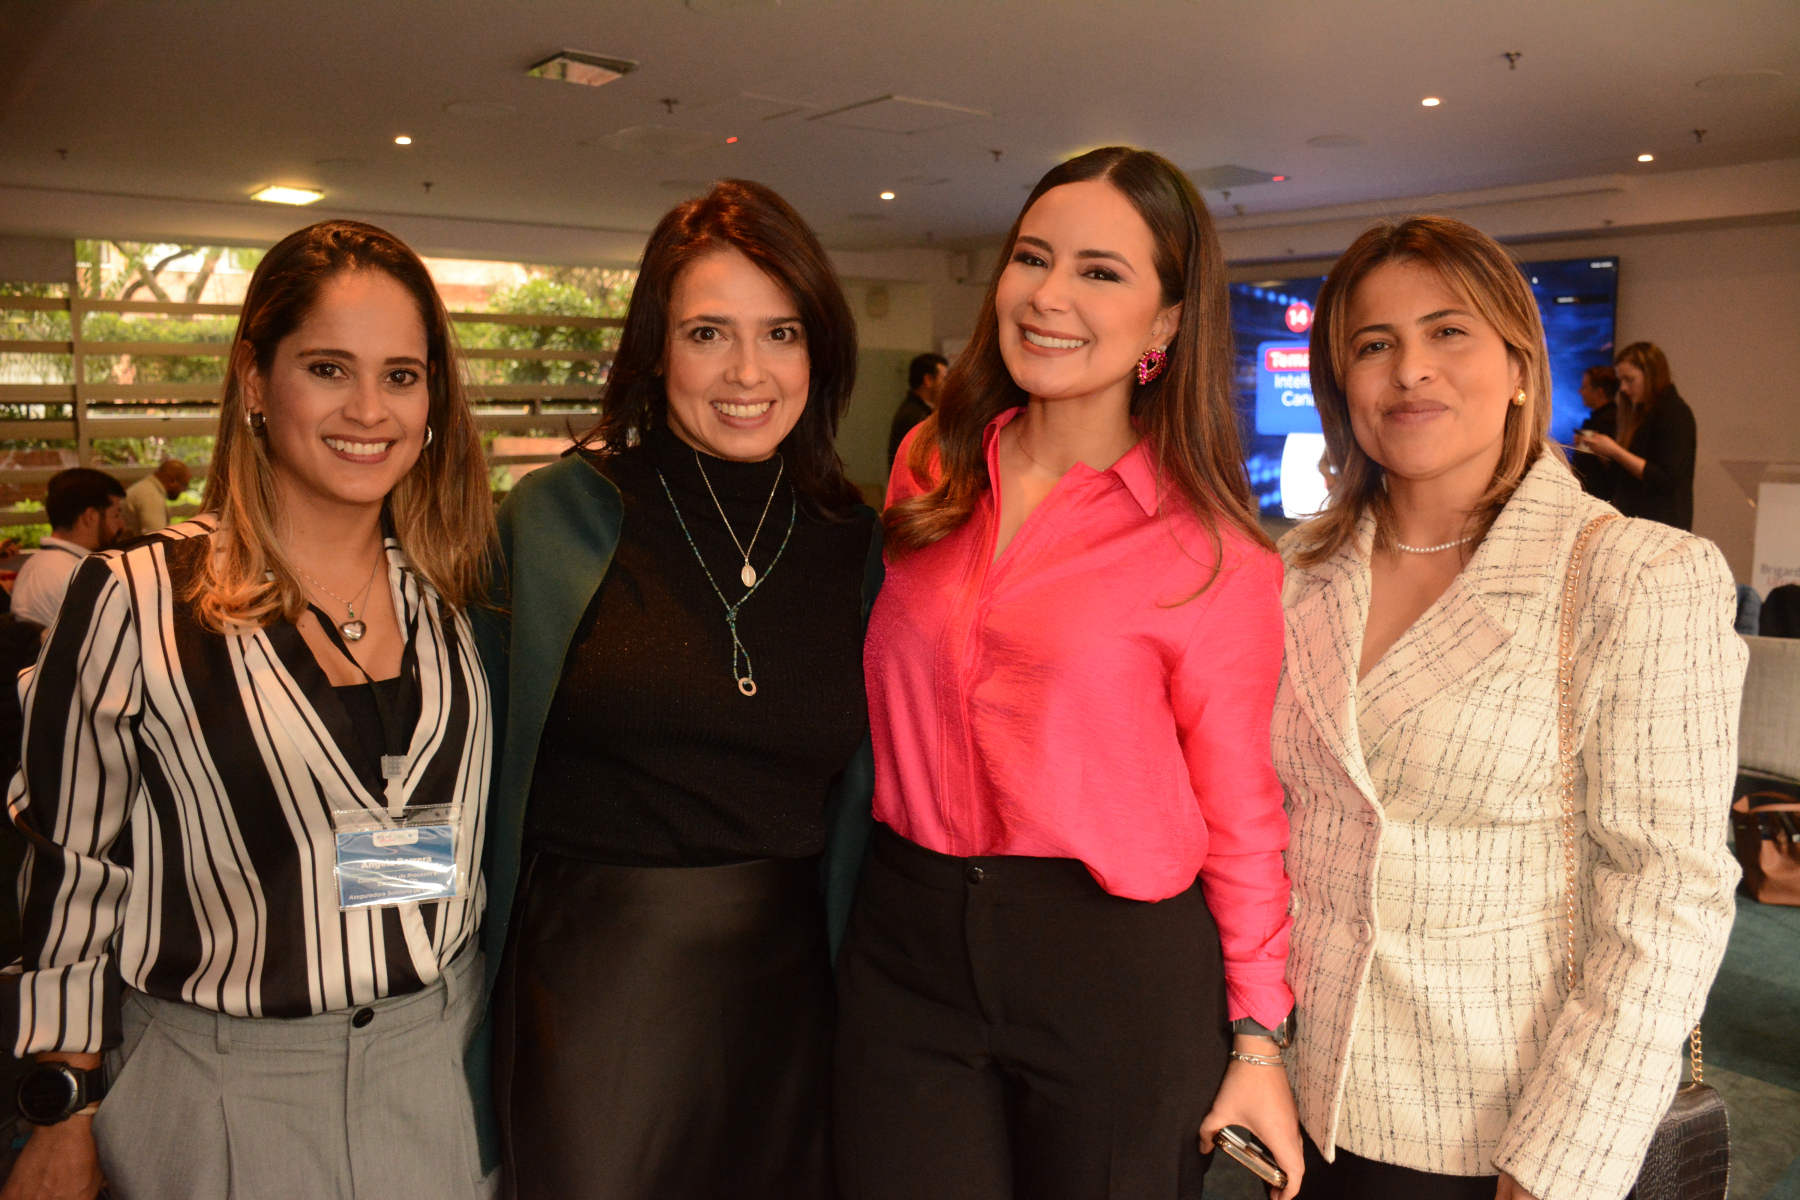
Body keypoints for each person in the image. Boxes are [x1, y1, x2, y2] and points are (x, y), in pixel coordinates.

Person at [839, 146, 1303, 1200]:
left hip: (1112, 965)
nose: (1049, 295)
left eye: (1100, 271)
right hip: (906, 939)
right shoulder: (929, 468)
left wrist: (1258, 1038)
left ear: (1167, 320)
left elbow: (1242, 812)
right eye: (1032, 257)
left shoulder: (1213, 552)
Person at [2, 219, 498, 1200]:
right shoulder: (138, 599)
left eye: (401, 375)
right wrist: (62, 1104)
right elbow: (73, 867)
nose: (370, 409)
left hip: (436, 1074)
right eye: (328, 368)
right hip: (223, 1090)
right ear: (256, 381)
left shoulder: (449, 597)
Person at [1275, 216, 1742, 1200]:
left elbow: (1669, 897)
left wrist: (1555, 1167)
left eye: (1448, 331)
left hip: (1500, 1132)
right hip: (1301, 1099)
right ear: (1341, 384)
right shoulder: (1295, 573)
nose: (1410, 369)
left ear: (1521, 367)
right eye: (1374, 344)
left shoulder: (1635, 574)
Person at [479, 179, 881, 1200]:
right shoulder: (557, 518)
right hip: (592, 987)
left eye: (781, 333)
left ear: (820, 350)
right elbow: (459, 762)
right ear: (656, 350)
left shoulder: (854, 542)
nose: (749, 372)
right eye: (709, 333)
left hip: (792, 992)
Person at [1573, 342, 1696, 529]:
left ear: (1651, 375)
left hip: (1661, 524)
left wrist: (1614, 451)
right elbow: (1626, 476)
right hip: (1640, 521)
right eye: (1621, 380)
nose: (1622, 388)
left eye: (1629, 380)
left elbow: (1667, 478)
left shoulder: (1674, 413)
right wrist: (1603, 452)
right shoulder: (1642, 414)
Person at [9, 467, 125, 630]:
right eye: (116, 515)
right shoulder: (79, 578)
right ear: (90, 516)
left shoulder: (34, 566)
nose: (121, 525)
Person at [887, 351, 948, 466]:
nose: (947, 385)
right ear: (928, 380)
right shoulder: (914, 416)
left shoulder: (919, 410)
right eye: (944, 379)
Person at [1570, 365, 1617, 499]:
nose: (1580, 391)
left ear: (1600, 392)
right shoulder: (1602, 418)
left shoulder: (1608, 422)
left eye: (1585, 387)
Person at [120, 457, 192, 537]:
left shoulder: (146, 488)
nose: (184, 490)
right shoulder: (151, 497)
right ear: (172, 481)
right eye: (184, 485)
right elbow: (156, 538)